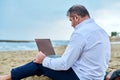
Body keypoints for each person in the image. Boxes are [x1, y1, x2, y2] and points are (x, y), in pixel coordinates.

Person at [0, 4, 111, 80]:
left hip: (81, 77)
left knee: (39, 64)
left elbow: (64, 65)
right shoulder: (101, 31)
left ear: (76, 17)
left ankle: (7, 77)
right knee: (53, 59)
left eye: (71, 20)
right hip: (97, 75)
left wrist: (43, 60)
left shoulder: (80, 33)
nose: (71, 24)